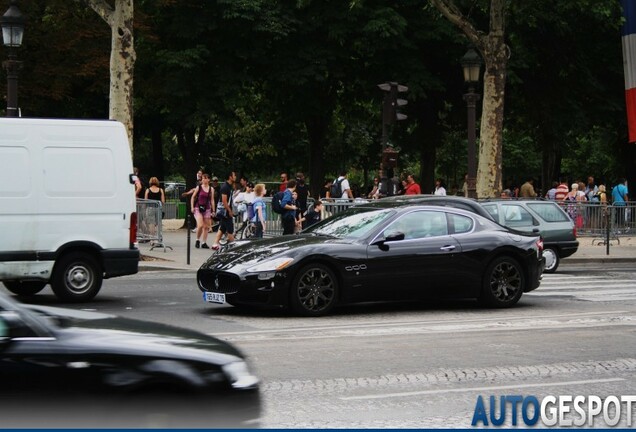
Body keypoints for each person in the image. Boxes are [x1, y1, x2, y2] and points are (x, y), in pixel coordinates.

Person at [212, 171, 237, 249]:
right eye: (234, 175)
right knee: (230, 230)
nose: (235, 176)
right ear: (230, 177)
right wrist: (229, 211)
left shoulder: (229, 186)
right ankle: (234, 246)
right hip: (225, 212)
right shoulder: (225, 187)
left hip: (226, 211)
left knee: (222, 228)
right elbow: (224, 201)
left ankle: (215, 244)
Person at [190, 173, 215, 249]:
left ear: (209, 179)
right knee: (200, 225)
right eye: (203, 178)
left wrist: (213, 210)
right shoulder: (199, 187)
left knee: (206, 227)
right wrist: (192, 207)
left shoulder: (211, 189)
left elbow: (212, 200)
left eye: (205, 178)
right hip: (198, 207)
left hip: (207, 208)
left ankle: (204, 242)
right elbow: (193, 197)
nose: (204, 180)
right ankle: (197, 239)